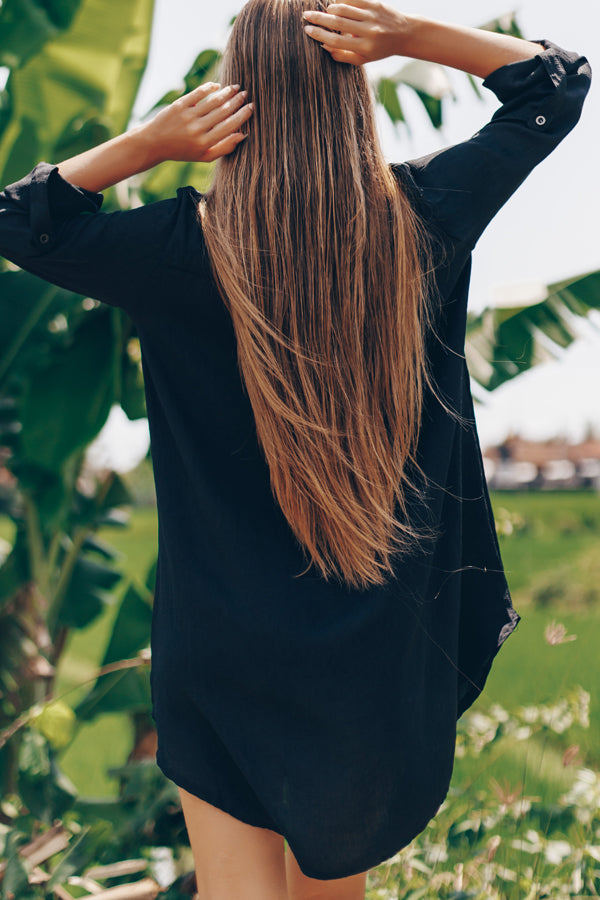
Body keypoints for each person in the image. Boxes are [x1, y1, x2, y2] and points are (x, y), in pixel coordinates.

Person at [0, 0, 591, 897]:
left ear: (237, 95)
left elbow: (21, 220)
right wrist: (408, 38)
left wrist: (150, 143)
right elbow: (553, 85)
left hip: (222, 649)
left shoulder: (175, 246)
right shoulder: (424, 214)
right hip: (370, 646)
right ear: (352, 90)